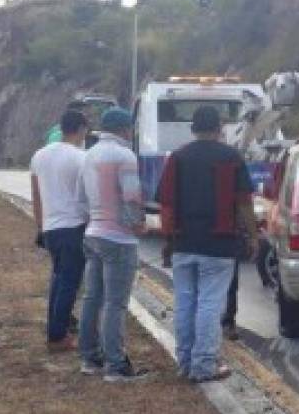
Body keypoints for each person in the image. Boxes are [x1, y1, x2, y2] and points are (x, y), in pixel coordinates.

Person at [158, 105, 259, 382]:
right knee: (210, 305)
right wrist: (253, 235)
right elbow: (244, 203)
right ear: (220, 128)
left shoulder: (177, 158)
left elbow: (166, 204)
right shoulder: (231, 157)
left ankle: (185, 361)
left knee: (185, 303)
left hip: (183, 243)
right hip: (219, 245)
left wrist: (168, 241)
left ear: (193, 129)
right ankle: (204, 365)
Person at [76, 107, 150, 382]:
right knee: (115, 303)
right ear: (124, 129)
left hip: (93, 233)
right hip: (118, 237)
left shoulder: (89, 155)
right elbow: (131, 198)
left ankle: (89, 358)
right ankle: (116, 366)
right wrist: (139, 224)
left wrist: (94, 217)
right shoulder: (125, 156)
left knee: (92, 298)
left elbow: (80, 197)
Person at [30, 109, 89, 352]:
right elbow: (87, 194)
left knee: (58, 278)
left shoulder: (39, 156)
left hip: (51, 228)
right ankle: (57, 335)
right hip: (73, 226)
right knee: (69, 282)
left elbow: (36, 194)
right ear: (81, 129)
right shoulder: (80, 157)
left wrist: (40, 226)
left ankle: (53, 328)